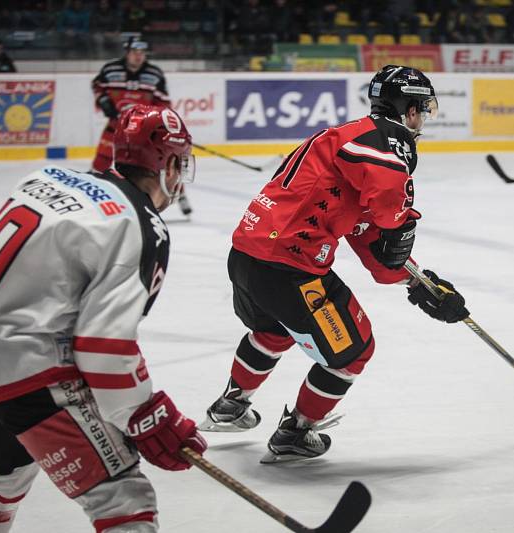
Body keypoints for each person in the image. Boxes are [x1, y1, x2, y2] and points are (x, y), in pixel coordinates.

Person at [200, 65, 470, 463]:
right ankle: (298, 432)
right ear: (409, 108)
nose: (422, 120)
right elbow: (387, 210)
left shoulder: (345, 135)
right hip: (290, 267)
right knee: (354, 352)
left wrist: (416, 282)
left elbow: (369, 239)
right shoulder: (386, 140)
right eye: (421, 110)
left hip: (247, 254)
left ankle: (230, 406)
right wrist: (401, 221)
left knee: (272, 330)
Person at [0, 104, 205, 532]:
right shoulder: (141, 226)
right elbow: (102, 346)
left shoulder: (46, 178)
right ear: (165, 163)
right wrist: (143, 413)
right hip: (25, 376)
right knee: (125, 500)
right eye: (179, 162)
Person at [91, 37, 193, 217]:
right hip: (116, 127)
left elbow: (163, 102)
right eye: (134, 52)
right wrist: (104, 101)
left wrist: (159, 122)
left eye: (142, 53)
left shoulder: (154, 74)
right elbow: (97, 86)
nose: (138, 56)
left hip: (145, 131)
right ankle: (94, 196)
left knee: (166, 162)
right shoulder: (110, 69)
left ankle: (180, 194)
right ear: (127, 52)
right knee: (101, 162)